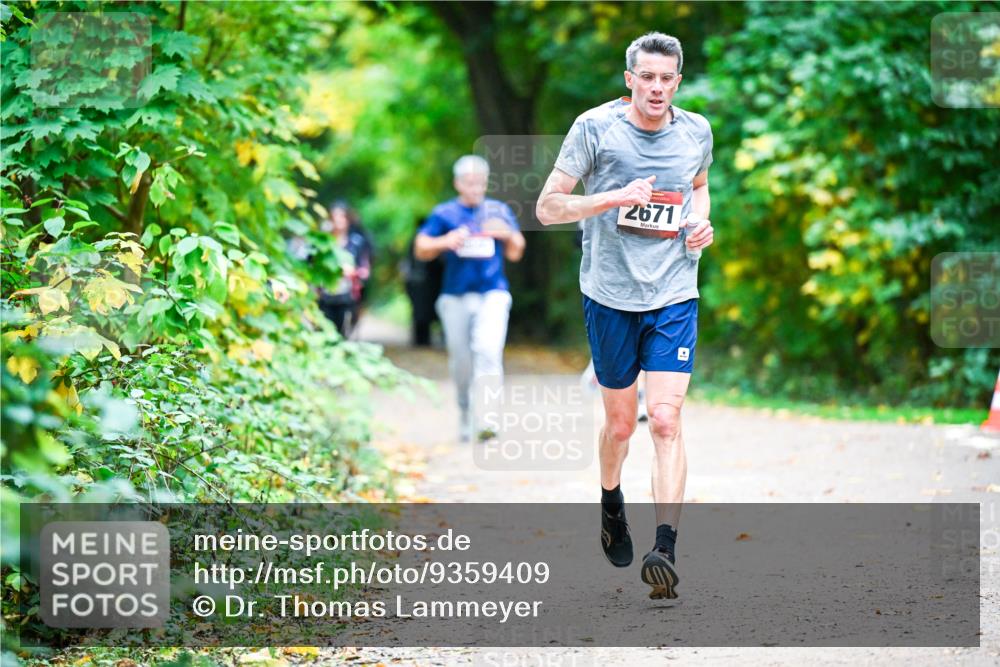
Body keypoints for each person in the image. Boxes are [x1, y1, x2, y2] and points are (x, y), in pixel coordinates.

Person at [536, 32, 715, 600]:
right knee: (620, 426)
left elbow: (699, 188)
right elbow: (547, 207)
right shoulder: (595, 128)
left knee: (663, 420)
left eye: (667, 78)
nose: (657, 88)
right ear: (629, 79)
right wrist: (611, 198)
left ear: (677, 82)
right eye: (647, 77)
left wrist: (700, 223)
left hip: (674, 292)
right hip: (610, 294)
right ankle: (611, 500)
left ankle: (665, 549)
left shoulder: (696, 131)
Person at [414, 156, 526, 442]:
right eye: (469, 182)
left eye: (480, 182)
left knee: (488, 351)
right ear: (458, 184)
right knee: (461, 360)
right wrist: (446, 241)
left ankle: (488, 419)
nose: (475, 187)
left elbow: (516, 251)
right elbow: (421, 248)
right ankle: (465, 410)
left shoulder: (498, 210)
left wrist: (507, 234)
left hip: (493, 293)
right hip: (455, 296)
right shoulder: (444, 213)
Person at [317, 201, 371, 338]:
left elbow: (365, 269)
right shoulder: (322, 242)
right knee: (325, 334)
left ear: (348, 219)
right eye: (335, 217)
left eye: (342, 216)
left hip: (348, 297)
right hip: (325, 297)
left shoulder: (357, 243)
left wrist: (354, 272)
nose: (338, 221)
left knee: (344, 333)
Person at [402, 216, 444, 347]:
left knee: (421, 312)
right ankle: (421, 340)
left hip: (422, 281)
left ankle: (421, 340)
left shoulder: (419, 240)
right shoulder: (425, 241)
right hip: (424, 282)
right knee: (421, 313)